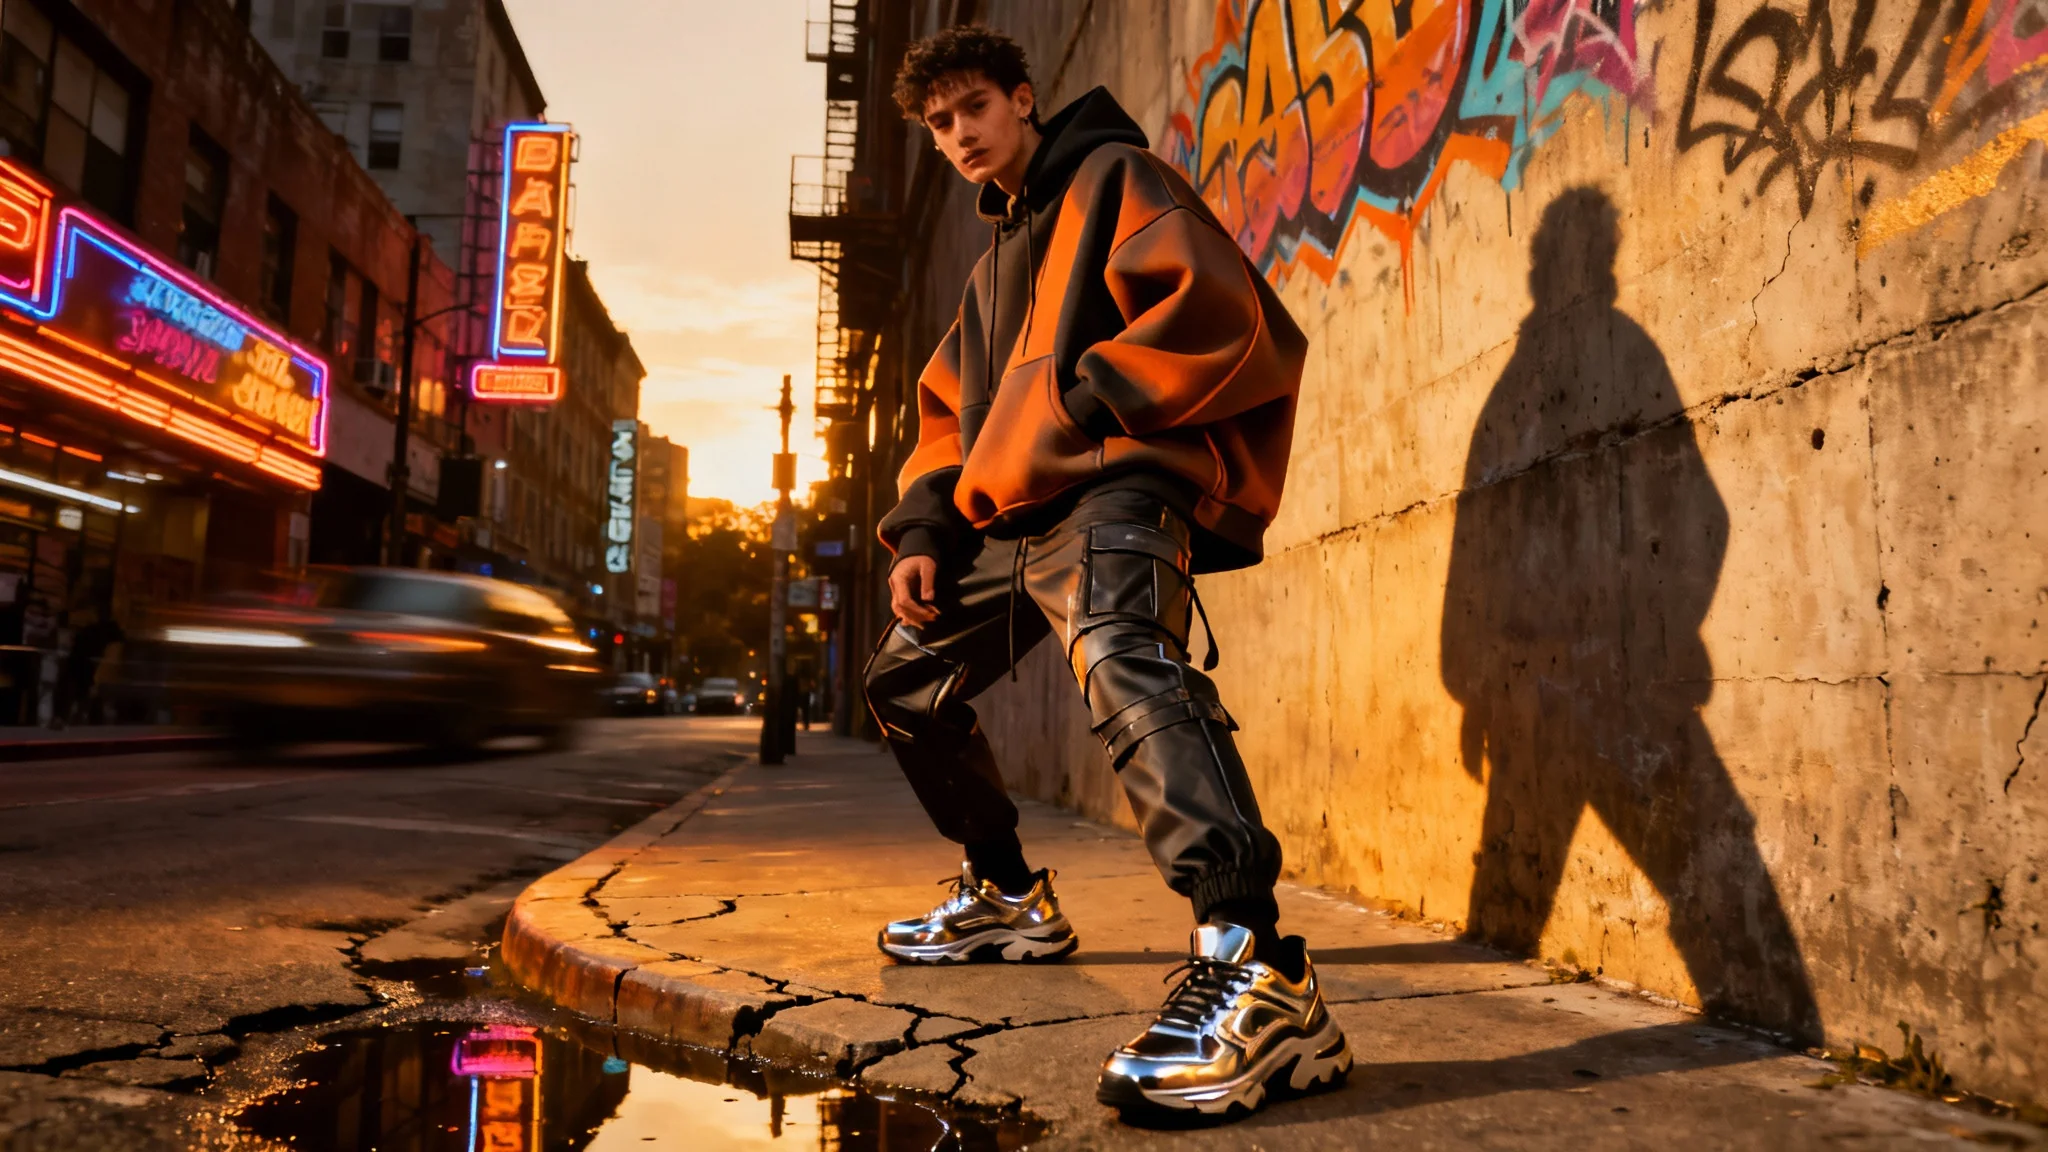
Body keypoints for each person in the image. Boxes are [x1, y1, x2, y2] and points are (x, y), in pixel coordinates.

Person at [862, 26, 1348, 1120]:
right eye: (938, 126)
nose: (957, 137)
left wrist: (1084, 401)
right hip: (1011, 517)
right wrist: (928, 534)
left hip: (1117, 483)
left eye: (972, 110)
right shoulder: (991, 264)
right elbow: (948, 422)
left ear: (1021, 100)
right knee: (902, 681)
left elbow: (1222, 311)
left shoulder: (1114, 178)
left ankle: (1258, 962)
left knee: (1125, 656)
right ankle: (1002, 893)